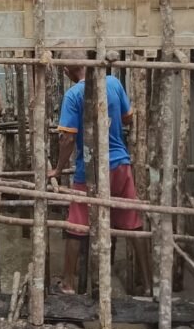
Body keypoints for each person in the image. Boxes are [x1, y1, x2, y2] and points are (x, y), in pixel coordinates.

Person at [48, 66, 152, 296]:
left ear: (67, 70)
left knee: (76, 226)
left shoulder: (73, 95)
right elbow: (128, 119)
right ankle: (147, 285)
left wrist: (58, 169)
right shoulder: (113, 83)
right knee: (133, 222)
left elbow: (67, 139)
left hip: (90, 170)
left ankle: (68, 283)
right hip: (120, 164)